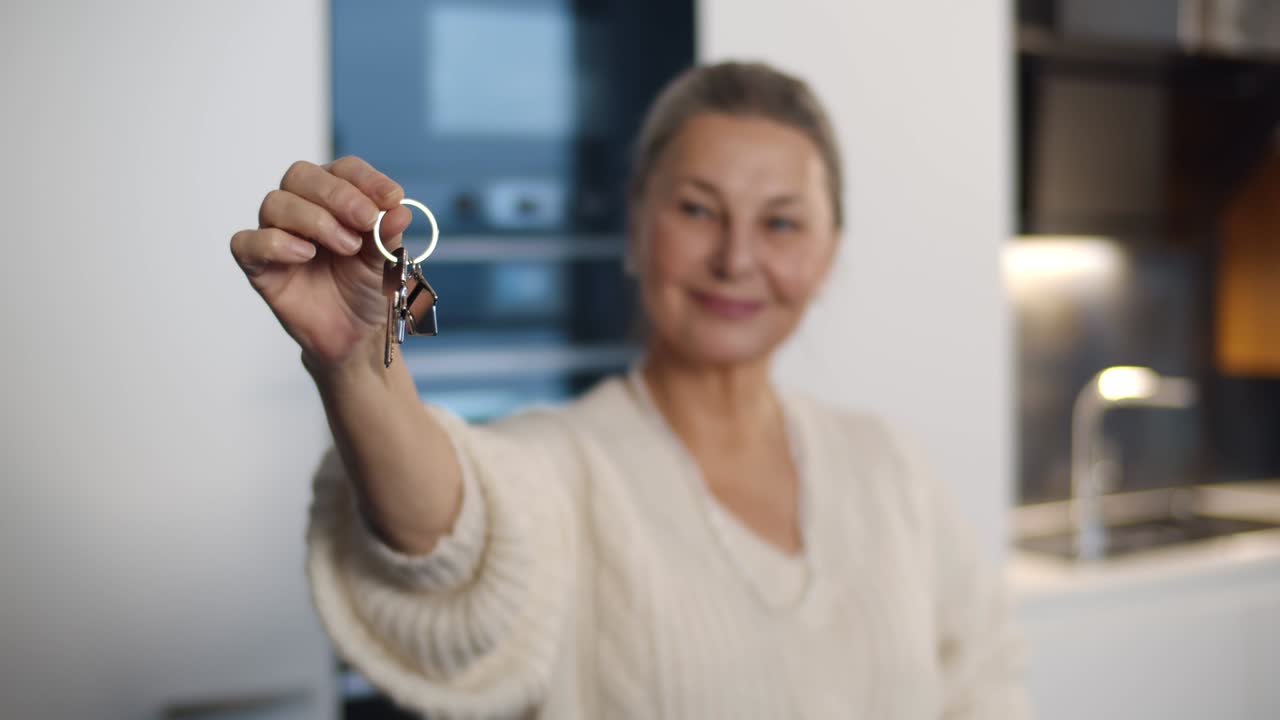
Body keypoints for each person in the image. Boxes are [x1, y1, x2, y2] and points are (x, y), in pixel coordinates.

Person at [231, 61, 1028, 719]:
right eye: (697, 210)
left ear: (828, 254)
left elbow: (986, 687)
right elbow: (456, 538)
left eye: (781, 222)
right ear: (637, 228)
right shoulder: (563, 465)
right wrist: (352, 359)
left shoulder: (889, 466)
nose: (736, 258)